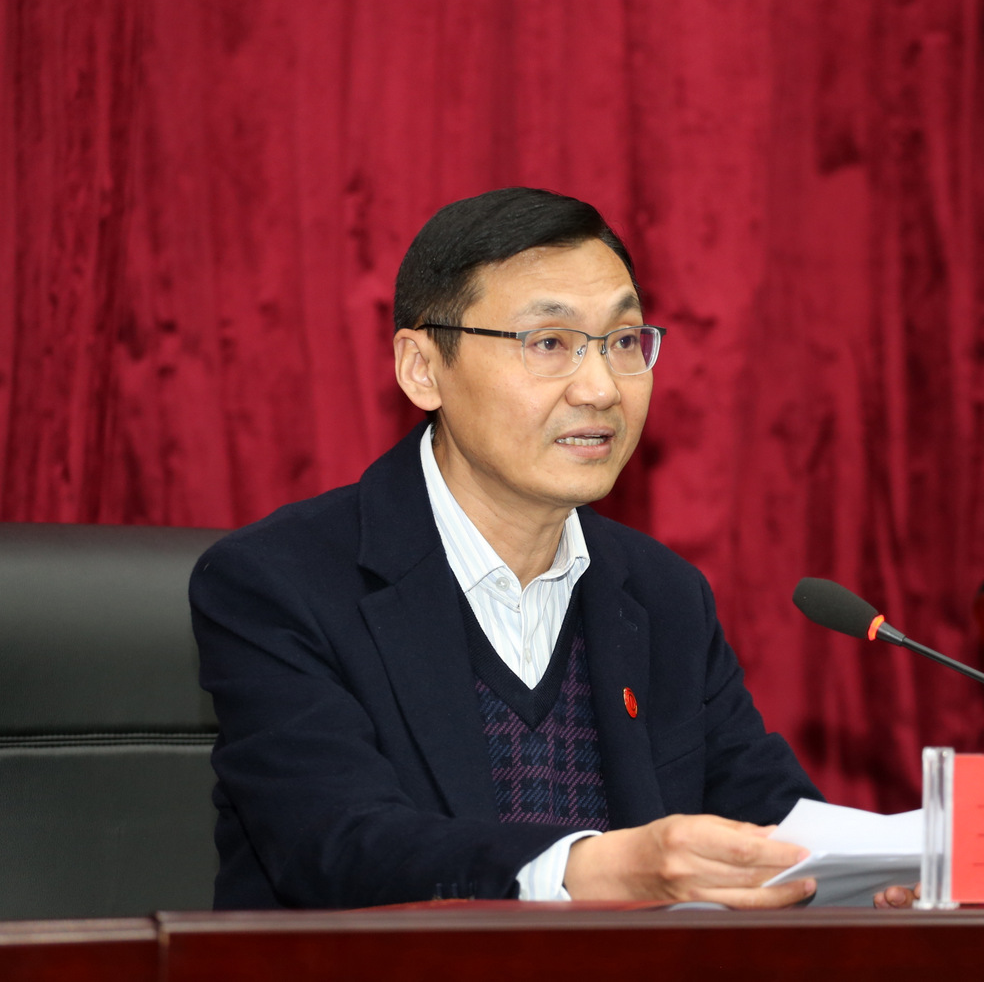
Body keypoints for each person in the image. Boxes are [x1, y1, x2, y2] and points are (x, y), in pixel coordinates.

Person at [190, 187, 824, 909]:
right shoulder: (279, 582)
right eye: (549, 343)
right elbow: (338, 847)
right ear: (422, 368)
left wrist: (879, 873)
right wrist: (592, 869)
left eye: (623, 342)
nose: (600, 388)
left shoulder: (663, 594)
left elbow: (773, 822)